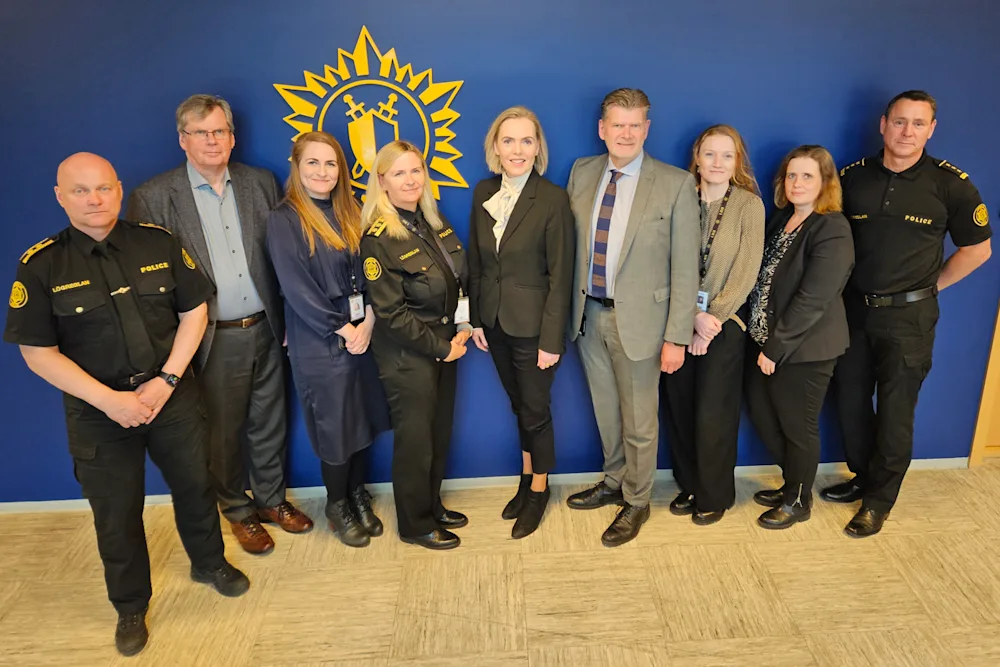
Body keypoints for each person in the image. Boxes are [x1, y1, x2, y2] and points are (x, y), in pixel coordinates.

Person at [4, 153, 249, 657]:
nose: (94, 200)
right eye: (80, 191)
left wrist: (167, 379)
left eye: (103, 188)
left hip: (170, 395)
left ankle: (210, 563)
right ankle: (130, 606)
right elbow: (37, 353)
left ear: (118, 189)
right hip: (98, 412)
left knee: (196, 486)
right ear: (60, 196)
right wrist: (109, 401)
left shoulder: (158, 242)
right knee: (115, 514)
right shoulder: (42, 265)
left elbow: (194, 311)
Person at [127, 94, 312, 554]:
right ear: (183, 140)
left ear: (232, 137)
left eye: (219, 131)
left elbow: (282, 254)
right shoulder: (154, 197)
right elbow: (149, 287)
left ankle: (271, 499)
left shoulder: (259, 183)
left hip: (267, 326)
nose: (211, 140)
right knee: (223, 432)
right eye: (200, 132)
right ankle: (236, 508)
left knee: (270, 421)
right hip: (211, 337)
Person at [824, 90, 992, 537]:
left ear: (931, 130)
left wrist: (932, 287)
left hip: (910, 319)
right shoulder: (852, 177)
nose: (907, 131)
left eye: (918, 124)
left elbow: (978, 250)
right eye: (899, 121)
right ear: (883, 125)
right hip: (853, 312)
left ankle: (879, 501)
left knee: (896, 410)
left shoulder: (951, 184)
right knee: (851, 401)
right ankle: (863, 476)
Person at [565, 88, 701, 547]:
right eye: (617, 125)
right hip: (588, 317)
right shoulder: (582, 172)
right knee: (606, 412)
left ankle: (638, 500)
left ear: (647, 129)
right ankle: (614, 481)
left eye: (634, 125)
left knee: (640, 421)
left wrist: (677, 337)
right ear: (602, 129)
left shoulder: (675, 183)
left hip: (644, 325)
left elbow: (686, 268)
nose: (626, 133)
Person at [266, 132, 390, 548]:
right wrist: (345, 328)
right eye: (313, 163)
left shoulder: (351, 211)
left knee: (361, 417)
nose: (323, 172)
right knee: (335, 425)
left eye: (331, 163)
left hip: (362, 333)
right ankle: (337, 504)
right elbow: (296, 287)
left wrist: (368, 321)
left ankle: (357, 492)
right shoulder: (285, 219)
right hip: (320, 340)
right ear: (297, 167)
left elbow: (372, 272)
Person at [467, 106, 575, 539]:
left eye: (526, 141)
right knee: (520, 408)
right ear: (495, 146)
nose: (517, 149)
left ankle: (539, 490)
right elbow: (477, 262)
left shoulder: (552, 198)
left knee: (535, 412)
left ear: (537, 147)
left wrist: (552, 340)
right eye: (508, 140)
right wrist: (475, 319)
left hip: (533, 329)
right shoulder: (483, 191)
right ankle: (526, 479)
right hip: (494, 323)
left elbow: (561, 275)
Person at [360, 140, 471, 550]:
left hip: (447, 343)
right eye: (399, 173)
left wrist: (463, 325)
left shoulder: (432, 220)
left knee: (438, 435)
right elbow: (391, 315)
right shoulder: (378, 238)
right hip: (408, 356)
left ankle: (431, 505)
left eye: (415, 170)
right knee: (415, 442)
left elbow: (457, 280)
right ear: (382, 181)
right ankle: (415, 524)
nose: (410, 180)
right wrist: (443, 349)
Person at [660, 124, 765, 525]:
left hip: (725, 325)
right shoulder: (679, 198)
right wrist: (691, 316)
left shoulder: (748, 206)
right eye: (709, 154)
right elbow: (663, 263)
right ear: (697, 159)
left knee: (713, 415)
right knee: (680, 408)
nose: (717, 162)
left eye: (727, 155)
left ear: (737, 162)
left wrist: (711, 320)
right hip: (678, 321)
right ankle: (689, 484)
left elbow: (746, 272)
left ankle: (714, 494)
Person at [745, 145, 854, 529]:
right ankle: (792, 481)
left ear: (825, 182)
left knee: (798, 426)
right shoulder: (783, 219)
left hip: (804, 349)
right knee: (763, 416)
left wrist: (776, 347)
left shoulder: (832, 228)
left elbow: (814, 297)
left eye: (807, 176)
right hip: (765, 342)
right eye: (791, 175)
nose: (797, 183)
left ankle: (797, 500)